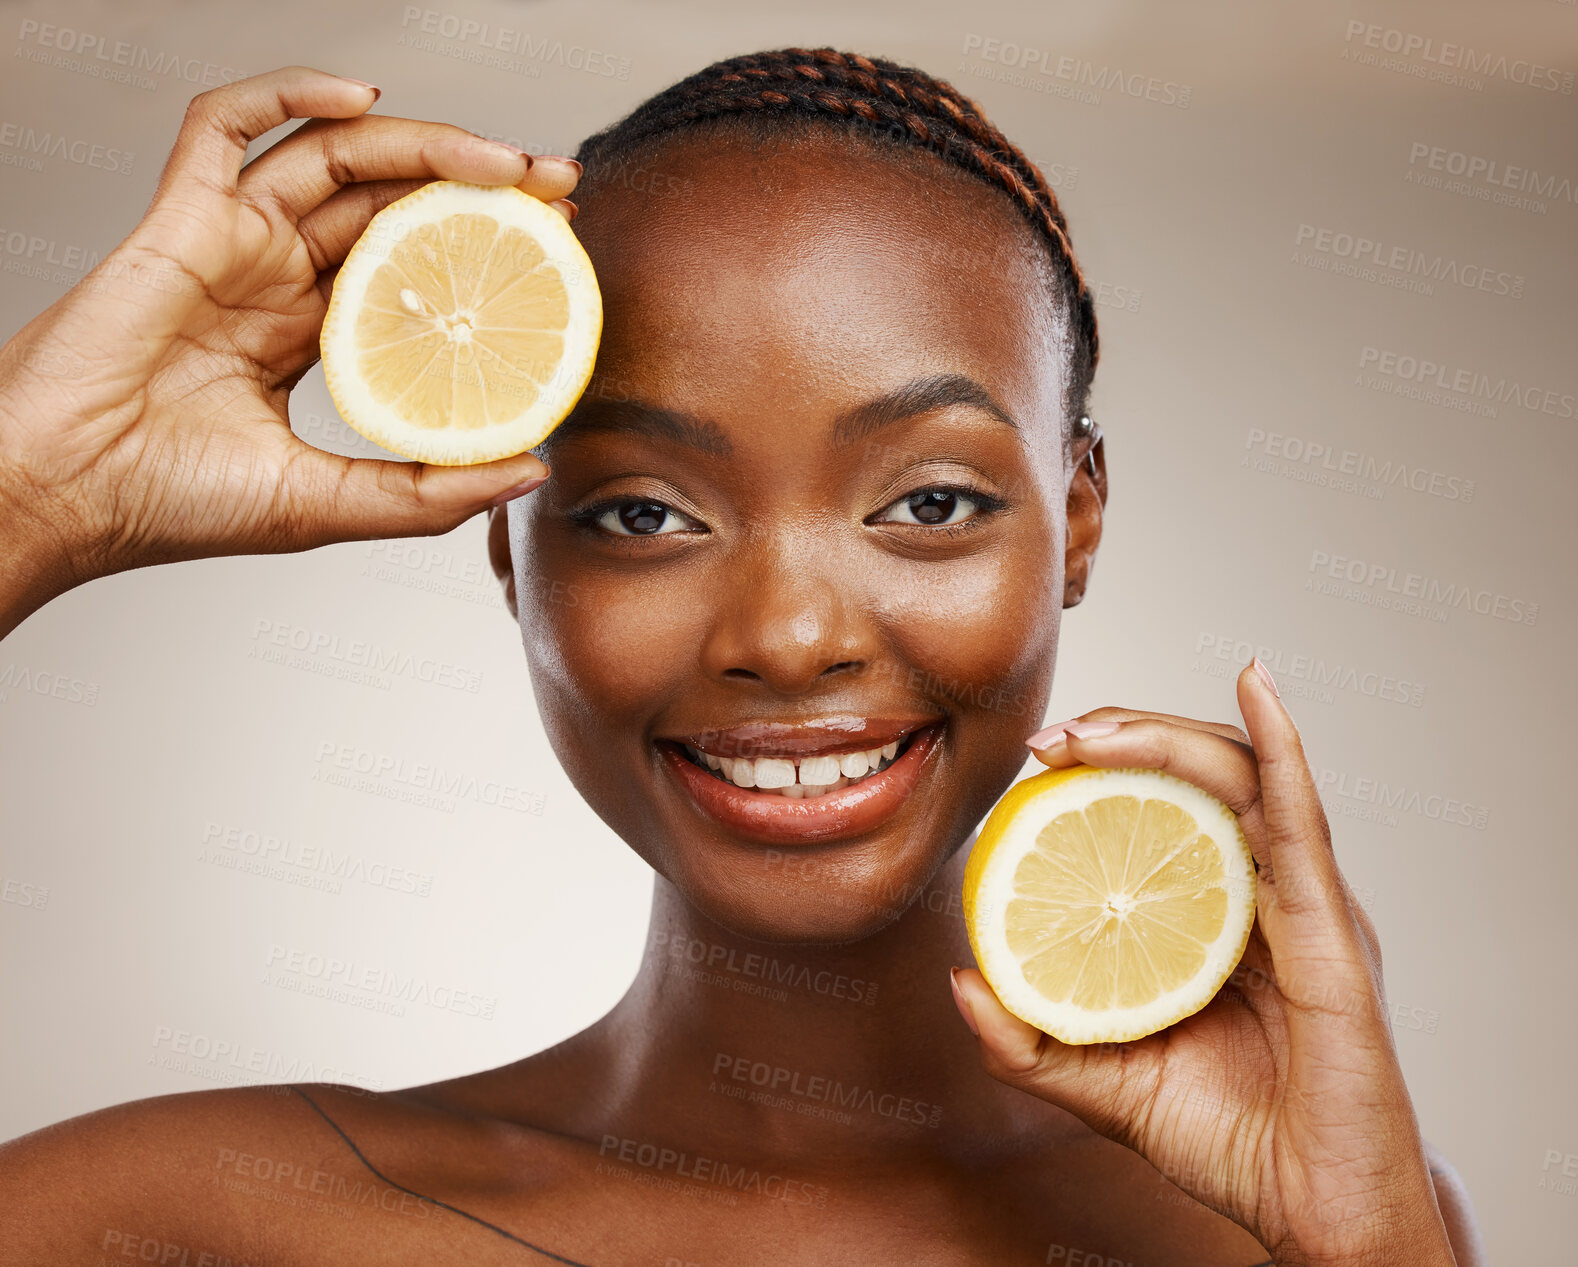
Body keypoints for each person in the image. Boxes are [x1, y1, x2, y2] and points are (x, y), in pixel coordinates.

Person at [0, 50, 1483, 1266]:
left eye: (927, 502)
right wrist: (32, 494)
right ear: (515, 550)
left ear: (1075, 518)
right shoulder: (183, 1227)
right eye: (644, 511)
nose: (787, 636)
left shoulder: (1299, 1229)